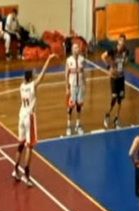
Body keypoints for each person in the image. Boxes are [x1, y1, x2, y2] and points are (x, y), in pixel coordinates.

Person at [13, 54, 58, 187]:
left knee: (20, 144)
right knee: (29, 146)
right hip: (29, 117)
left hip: (21, 115)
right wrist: (48, 59)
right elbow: (43, 74)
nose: (35, 74)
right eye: (33, 74)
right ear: (31, 78)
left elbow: (27, 78)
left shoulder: (21, 86)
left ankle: (15, 170)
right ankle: (26, 175)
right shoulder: (33, 86)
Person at [102, 34, 129, 129]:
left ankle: (116, 118)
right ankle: (107, 114)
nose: (122, 43)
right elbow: (103, 56)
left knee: (120, 99)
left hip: (121, 77)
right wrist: (109, 66)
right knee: (114, 97)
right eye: (121, 41)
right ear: (118, 41)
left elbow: (125, 62)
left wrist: (123, 64)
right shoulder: (113, 51)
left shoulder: (126, 51)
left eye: (124, 41)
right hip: (114, 77)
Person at [65, 43, 86, 136]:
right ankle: (69, 125)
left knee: (79, 106)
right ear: (72, 50)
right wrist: (67, 87)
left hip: (80, 86)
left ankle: (78, 124)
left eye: (77, 47)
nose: (77, 49)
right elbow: (66, 74)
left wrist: (84, 84)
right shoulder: (69, 60)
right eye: (75, 48)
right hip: (72, 87)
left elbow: (83, 72)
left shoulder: (82, 59)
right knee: (70, 107)